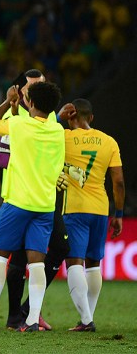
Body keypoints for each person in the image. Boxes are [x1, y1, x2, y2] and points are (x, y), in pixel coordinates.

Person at [0, 81, 64, 332]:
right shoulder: (57, 131)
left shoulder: (19, 125)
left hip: (18, 203)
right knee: (37, 263)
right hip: (44, 206)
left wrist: (7, 103)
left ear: (30, 103)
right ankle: (31, 320)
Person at [0, 70, 70, 330]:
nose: (36, 90)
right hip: (18, 194)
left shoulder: (51, 117)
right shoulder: (13, 117)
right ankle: (14, 316)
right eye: (31, 86)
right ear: (19, 91)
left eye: (40, 85)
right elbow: (1, 158)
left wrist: (59, 172)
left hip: (45, 197)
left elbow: (55, 153)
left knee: (60, 249)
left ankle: (30, 309)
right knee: (17, 260)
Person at [59, 99, 125, 332]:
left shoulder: (64, 137)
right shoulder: (109, 141)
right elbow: (118, 181)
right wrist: (118, 213)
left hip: (75, 207)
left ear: (70, 117)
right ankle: (88, 315)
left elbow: (46, 134)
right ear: (92, 118)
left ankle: (86, 319)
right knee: (94, 263)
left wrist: (59, 117)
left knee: (74, 261)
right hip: (100, 208)